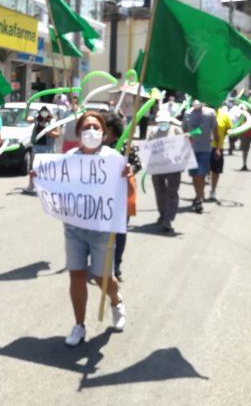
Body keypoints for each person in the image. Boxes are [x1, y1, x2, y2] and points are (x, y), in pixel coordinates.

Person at [60, 111, 126, 346]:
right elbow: (57, 184)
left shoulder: (114, 158)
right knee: (76, 275)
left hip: (102, 231)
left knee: (102, 277)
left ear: (104, 133)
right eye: (86, 127)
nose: (91, 131)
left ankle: (116, 301)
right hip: (74, 229)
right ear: (78, 133)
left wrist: (126, 176)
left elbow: (124, 192)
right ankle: (79, 325)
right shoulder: (68, 158)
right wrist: (40, 176)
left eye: (96, 127)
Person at [104, 114, 141, 278]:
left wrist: (129, 169)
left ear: (111, 129)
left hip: (121, 194)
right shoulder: (96, 146)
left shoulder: (125, 145)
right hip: (101, 196)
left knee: (120, 230)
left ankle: (116, 263)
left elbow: (137, 165)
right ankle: (103, 261)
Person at [147, 110, 184, 232]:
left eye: (165, 122)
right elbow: (148, 147)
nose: (163, 124)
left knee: (172, 192)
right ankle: (162, 214)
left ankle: (168, 218)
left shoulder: (177, 130)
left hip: (173, 166)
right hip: (158, 166)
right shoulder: (153, 132)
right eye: (160, 122)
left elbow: (184, 146)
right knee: (160, 192)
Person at [183, 100, 217, 213]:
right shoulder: (187, 113)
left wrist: (217, 148)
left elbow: (215, 130)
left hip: (205, 148)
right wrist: (187, 136)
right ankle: (198, 195)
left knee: (201, 174)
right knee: (194, 175)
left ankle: (199, 198)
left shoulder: (210, 113)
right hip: (191, 149)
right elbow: (184, 129)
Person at [24, 105, 60, 193]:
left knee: (48, 168)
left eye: (46, 111)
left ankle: (48, 186)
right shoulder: (37, 120)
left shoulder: (53, 121)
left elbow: (57, 134)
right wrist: (28, 106)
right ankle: (31, 185)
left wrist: (47, 132)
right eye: (42, 111)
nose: (44, 113)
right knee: (33, 167)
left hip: (48, 148)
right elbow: (26, 119)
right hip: (37, 146)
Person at [210, 103, 233, 201]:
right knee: (203, 171)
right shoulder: (203, 113)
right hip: (203, 147)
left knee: (215, 171)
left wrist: (219, 148)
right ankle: (200, 194)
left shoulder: (224, 115)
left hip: (217, 148)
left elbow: (228, 129)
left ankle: (213, 190)